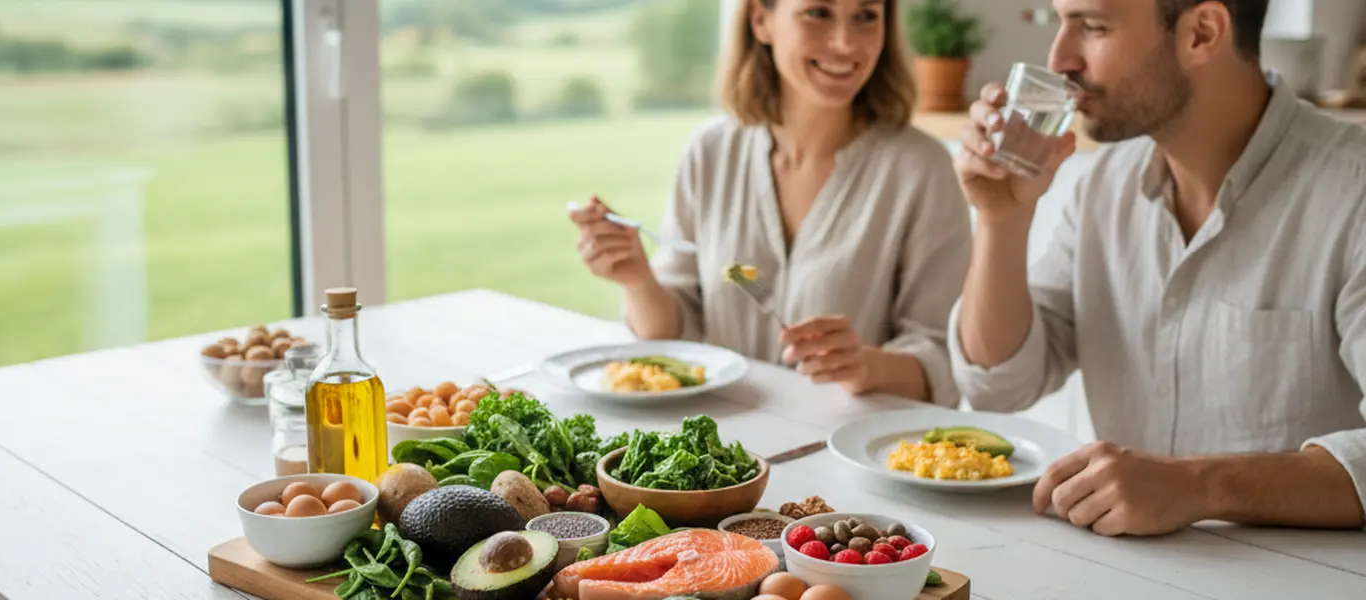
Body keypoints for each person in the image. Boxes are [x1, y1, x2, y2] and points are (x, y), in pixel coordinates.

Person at [951, 0, 1366, 536]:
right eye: (1060, 22)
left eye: (1093, 26)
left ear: (1202, 32)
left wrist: (1198, 485)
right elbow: (999, 383)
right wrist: (1000, 221)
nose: (1059, 58)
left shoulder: (1352, 192)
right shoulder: (1102, 188)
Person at [570, 0, 972, 404]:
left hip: (843, 454)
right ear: (761, 20)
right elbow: (673, 335)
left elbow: (947, 361)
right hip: (724, 451)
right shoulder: (710, 152)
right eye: (818, 13)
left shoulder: (923, 169)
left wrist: (867, 366)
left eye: (866, 16)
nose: (845, 43)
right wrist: (637, 279)